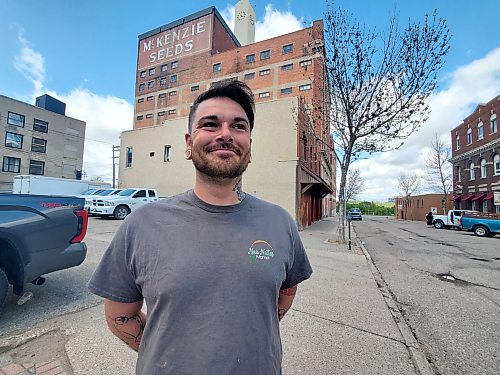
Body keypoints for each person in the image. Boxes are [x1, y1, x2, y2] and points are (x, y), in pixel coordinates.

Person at [88, 81, 313, 374]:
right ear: (187, 144)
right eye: (210, 124)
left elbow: (287, 291)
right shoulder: (142, 224)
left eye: (238, 126)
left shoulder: (280, 222)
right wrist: (169, 353)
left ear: (249, 147)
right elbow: (119, 316)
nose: (225, 134)